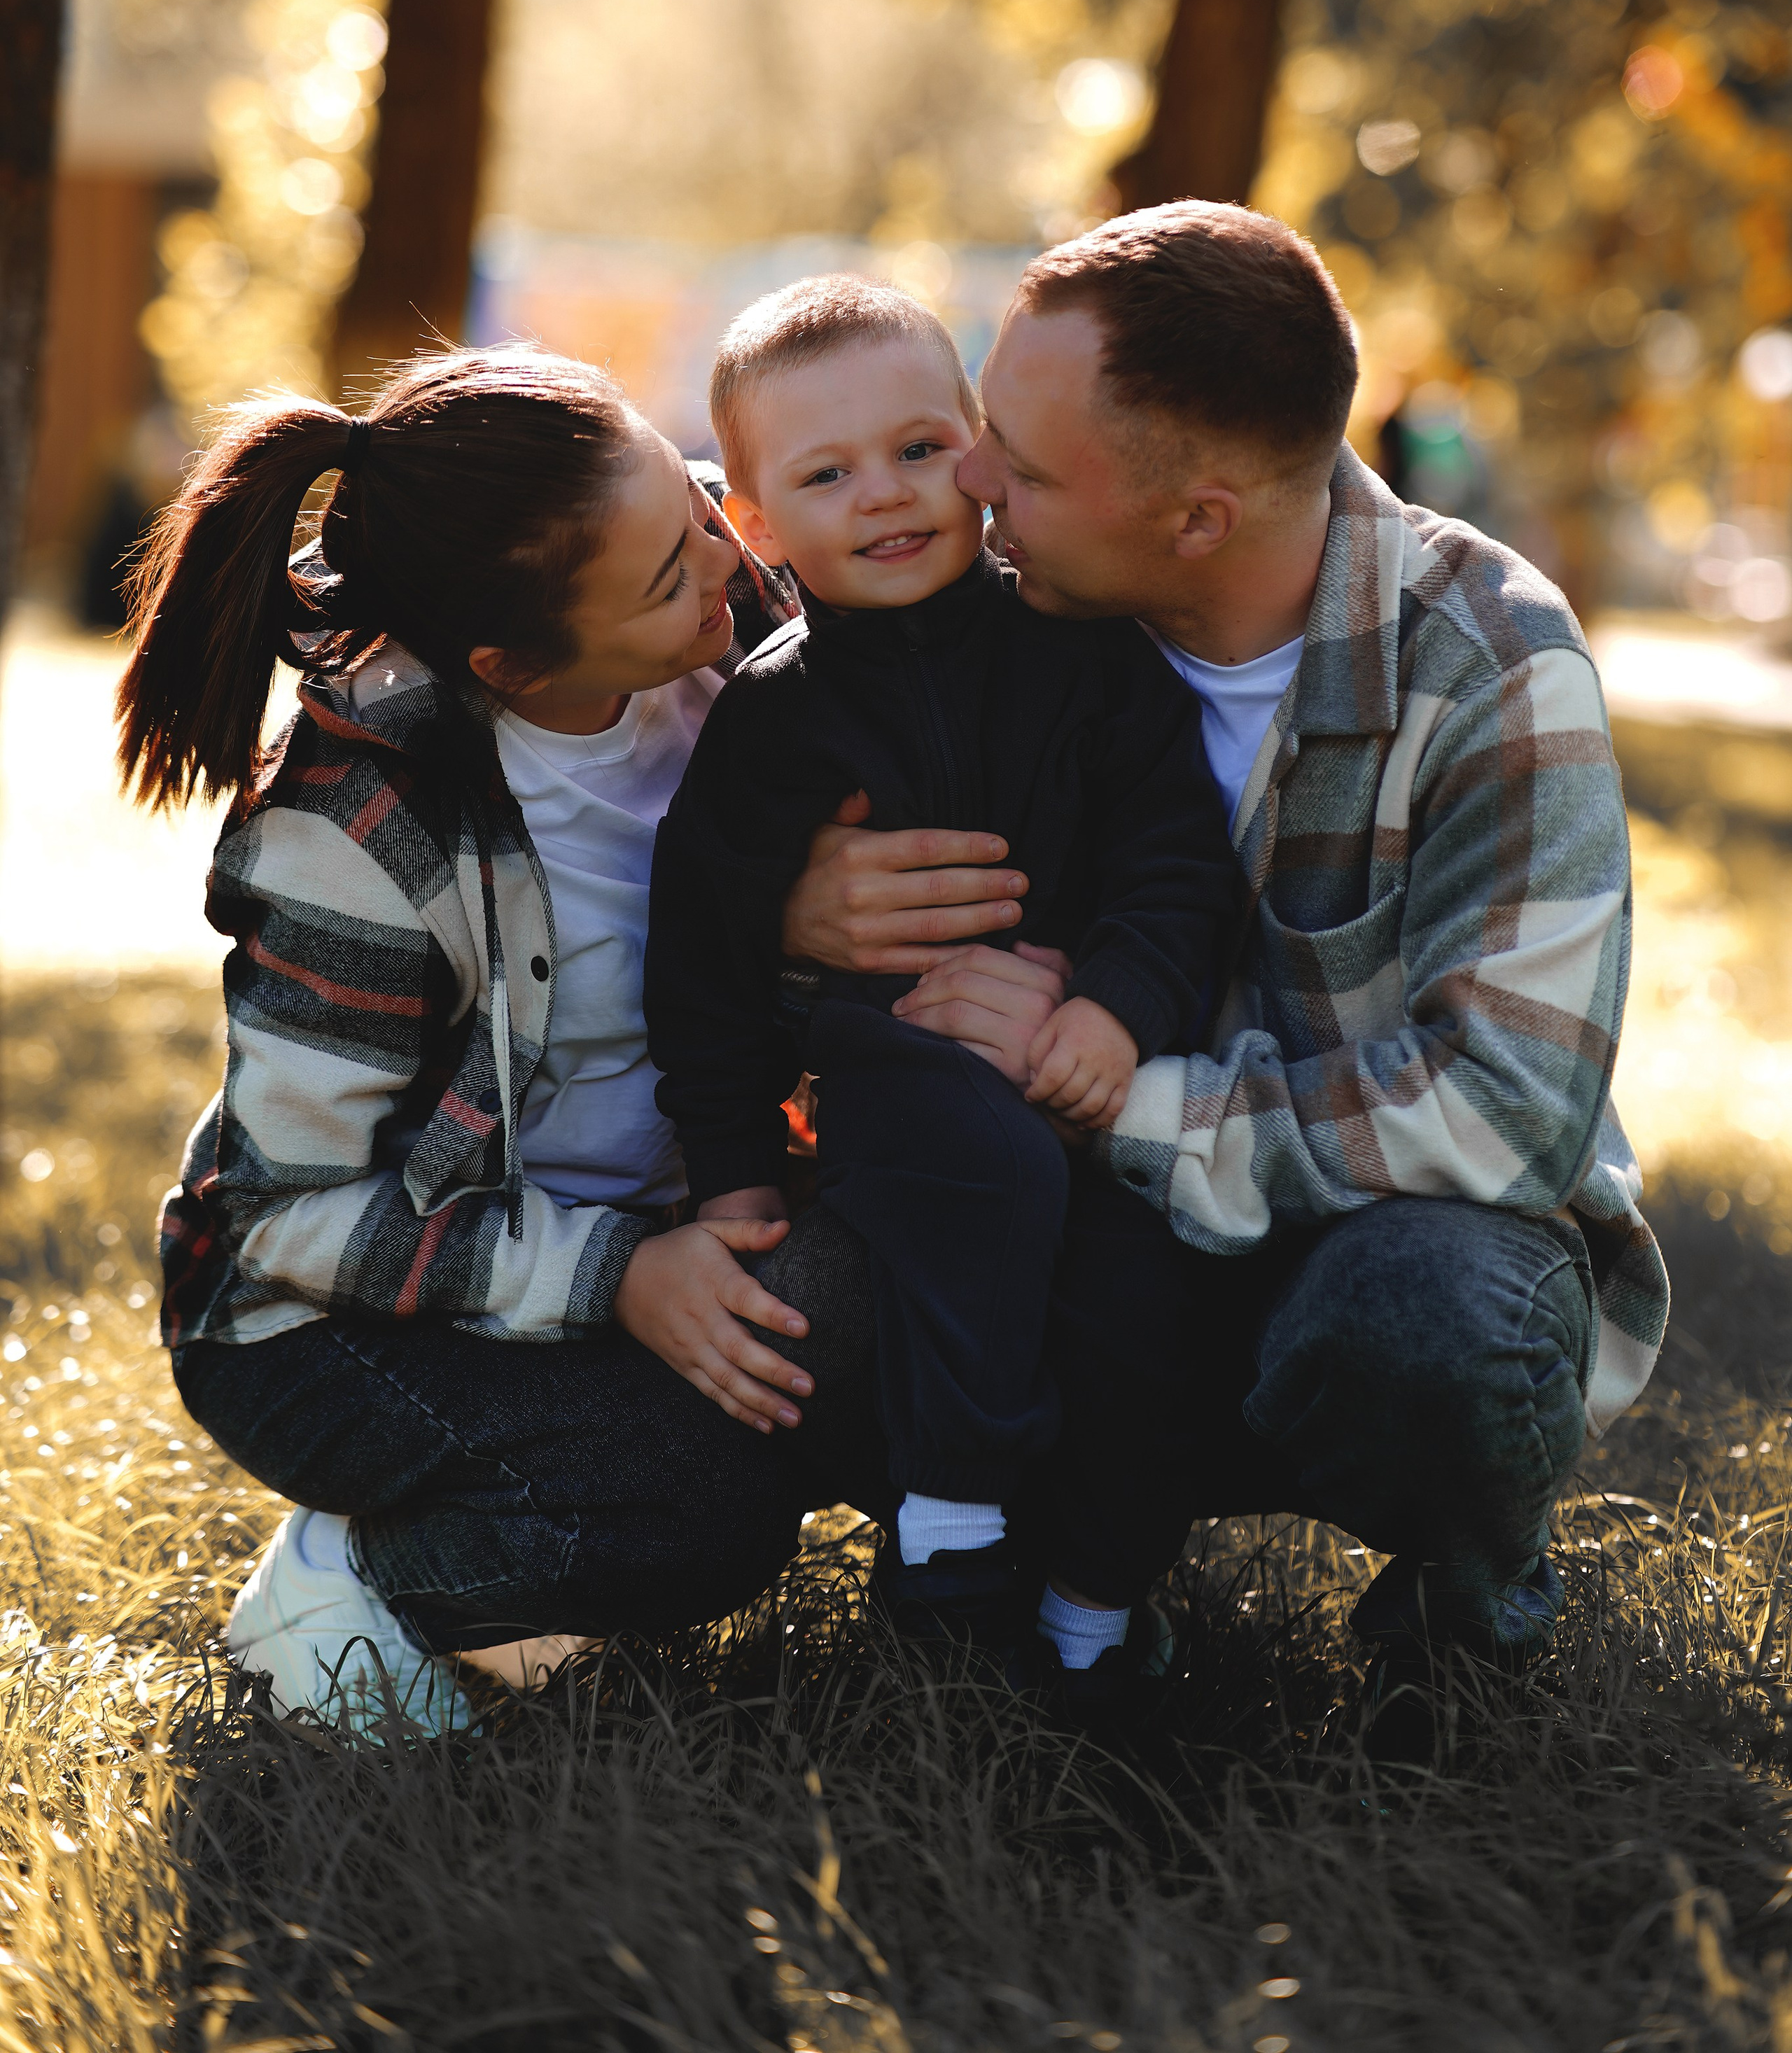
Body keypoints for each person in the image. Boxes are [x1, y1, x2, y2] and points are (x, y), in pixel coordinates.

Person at [787, 201, 1668, 1731]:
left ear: (1196, 518)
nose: (971, 480)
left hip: (1354, 1258)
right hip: (1065, 1247)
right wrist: (792, 905)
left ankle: (1459, 1631)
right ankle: (1021, 1579)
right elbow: (637, 623)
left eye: (1026, 465)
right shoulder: (999, 606)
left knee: (1434, 1325)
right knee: (821, 1270)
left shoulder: (1487, 661)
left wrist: (1116, 1096)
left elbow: (1508, 1111)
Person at [117, 344, 909, 1733]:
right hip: (329, 1318)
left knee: (879, 1301)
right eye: (670, 577)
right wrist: (619, 1280)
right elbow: (290, 1222)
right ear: (514, 665)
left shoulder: (733, 580)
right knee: (702, 1518)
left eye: (698, 502)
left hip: (664, 1217)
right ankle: (353, 1582)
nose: (732, 559)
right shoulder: (354, 837)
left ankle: (987, 1591)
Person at [645, 278, 1237, 1657]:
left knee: (1137, 1299)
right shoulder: (770, 718)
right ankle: (948, 1527)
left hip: (1081, 1074)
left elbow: (1175, 864)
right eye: (826, 473)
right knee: (986, 1169)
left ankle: (1094, 1607)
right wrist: (730, 1166)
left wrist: (1113, 1004)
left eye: (918, 449)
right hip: (888, 1077)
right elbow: (706, 963)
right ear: (752, 518)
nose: (886, 495)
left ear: (978, 447)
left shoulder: (1087, 657)